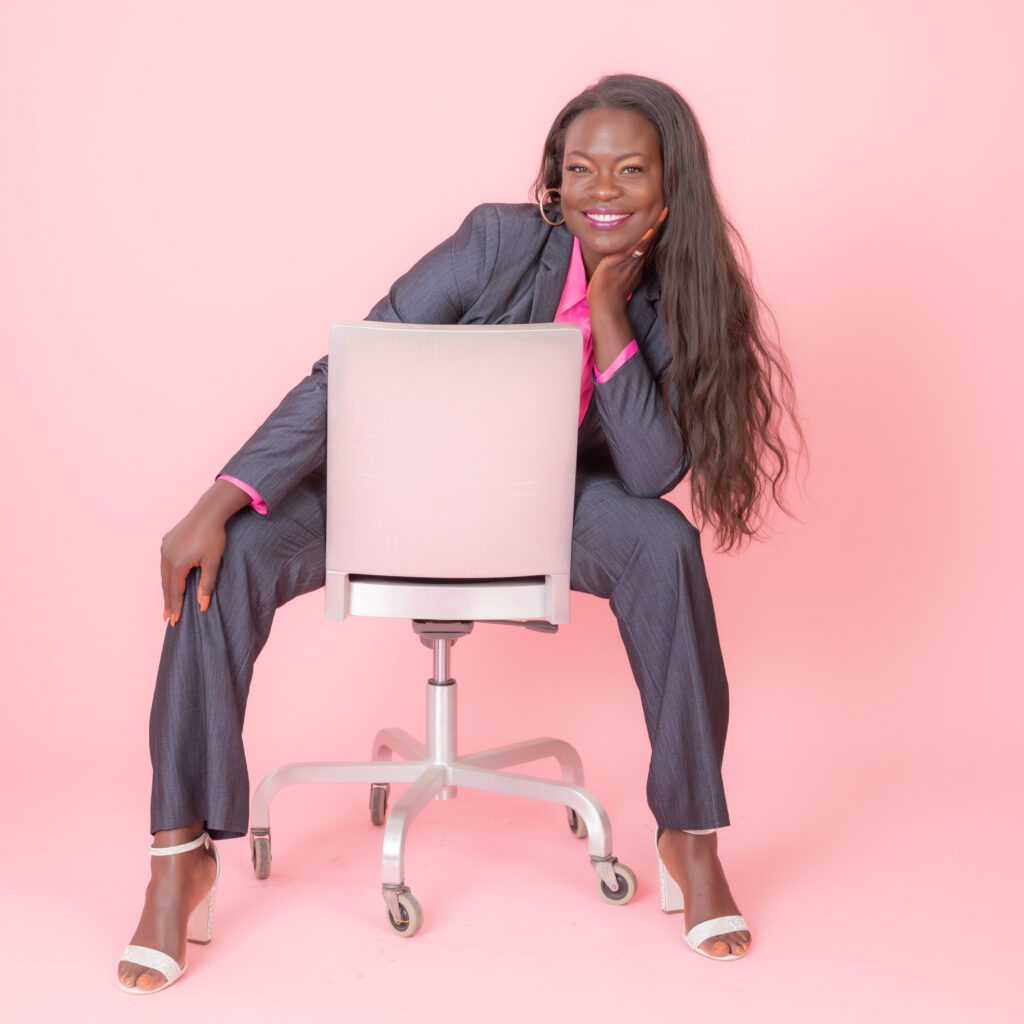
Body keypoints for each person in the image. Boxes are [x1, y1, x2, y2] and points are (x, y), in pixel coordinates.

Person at [118, 73, 799, 993]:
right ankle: (180, 855)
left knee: (664, 543)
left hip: (542, 508)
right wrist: (220, 496)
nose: (604, 190)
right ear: (551, 184)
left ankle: (691, 838)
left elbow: (648, 475)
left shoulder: (681, 300)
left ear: (669, 186)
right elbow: (351, 370)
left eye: (630, 171)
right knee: (224, 557)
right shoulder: (495, 242)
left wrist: (605, 312)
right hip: (385, 490)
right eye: (581, 170)